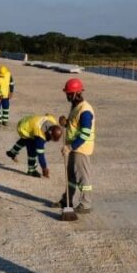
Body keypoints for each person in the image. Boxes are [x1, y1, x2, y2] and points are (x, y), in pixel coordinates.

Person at [52, 78, 95, 213]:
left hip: (81, 149)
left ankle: (85, 204)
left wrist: (71, 147)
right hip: (73, 148)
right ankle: (67, 200)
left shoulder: (85, 110)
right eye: (67, 93)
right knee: (70, 176)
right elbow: (74, 124)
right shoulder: (75, 107)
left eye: (69, 94)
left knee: (83, 178)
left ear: (77, 93)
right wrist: (66, 122)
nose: (67, 96)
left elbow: (85, 133)